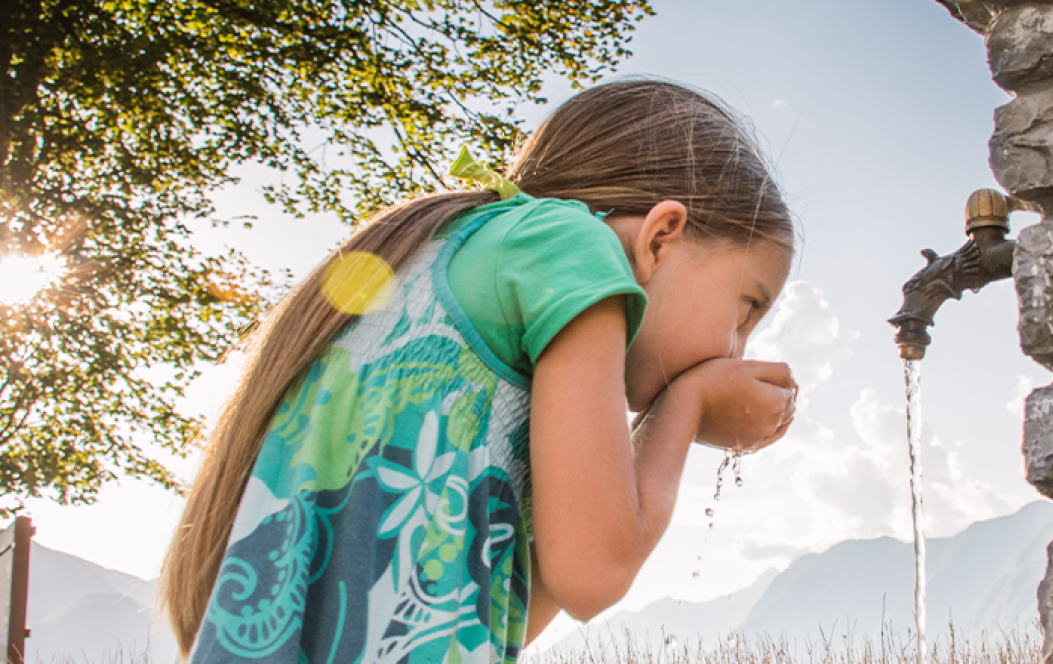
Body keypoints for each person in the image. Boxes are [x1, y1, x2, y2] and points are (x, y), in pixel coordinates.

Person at [160, 79, 798, 663]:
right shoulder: (575, 247)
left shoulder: (457, 264)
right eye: (747, 307)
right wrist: (683, 408)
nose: (737, 351)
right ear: (661, 238)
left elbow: (500, 622)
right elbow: (594, 574)